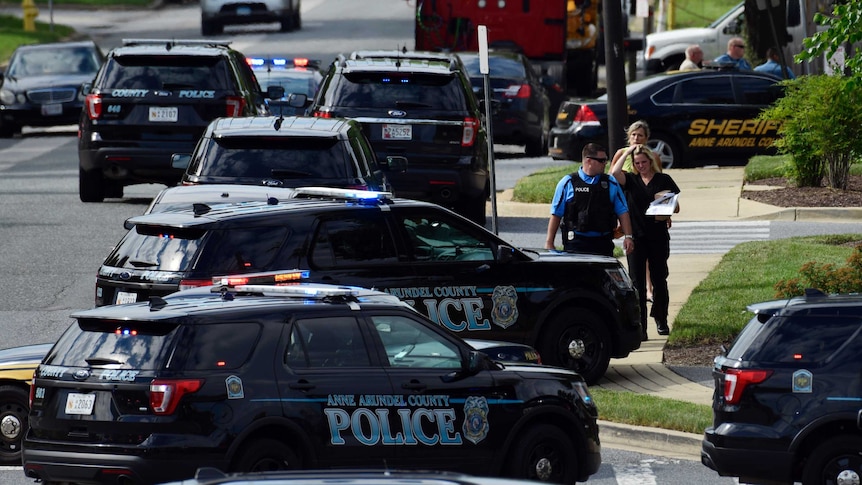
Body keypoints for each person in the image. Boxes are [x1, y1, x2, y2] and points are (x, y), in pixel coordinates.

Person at [610, 145, 680, 339]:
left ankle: (661, 320)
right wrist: (628, 151)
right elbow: (615, 172)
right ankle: (642, 327)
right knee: (636, 284)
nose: (641, 166)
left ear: (651, 162)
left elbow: (675, 206)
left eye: (644, 162)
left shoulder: (663, 180)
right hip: (636, 238)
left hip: (658, 237)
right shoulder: (630, 180)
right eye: (637, 163)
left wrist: (667, 210)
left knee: (659, 280)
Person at [545, 143, 634, 258]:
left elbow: (623, 211)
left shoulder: (610, 183)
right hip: (576, 242)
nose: (605, 163)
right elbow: (556, 214)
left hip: (603, 242)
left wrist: (628, 237)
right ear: (589, 161)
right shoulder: (568, 182)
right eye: (601, 160)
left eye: (606, 160)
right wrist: (549, 242)